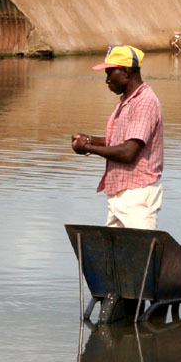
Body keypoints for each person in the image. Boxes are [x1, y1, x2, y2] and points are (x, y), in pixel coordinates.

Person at [71, 45, 163, 229]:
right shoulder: (127, 102)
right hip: (120, 194)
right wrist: (88, 139)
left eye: (109, 73)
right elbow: (119, 141)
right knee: (114, 256)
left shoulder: (144, 103)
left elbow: (128, 152)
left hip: (136, 195)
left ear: (126, 71)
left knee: (138, 254)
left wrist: (87, 148)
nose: (106, 80)